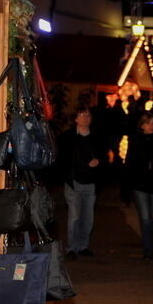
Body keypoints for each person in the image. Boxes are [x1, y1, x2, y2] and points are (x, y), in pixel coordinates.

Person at [58, 107, 107, 259]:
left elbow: (105, 156)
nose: (85, 118)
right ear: (76, 119)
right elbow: (61, 158)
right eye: (82, 115)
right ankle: (71, 248)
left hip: (91, 183)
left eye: (88, 115)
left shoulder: (97, 137)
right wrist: (67, 175)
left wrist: (99, 162)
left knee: (88, 217)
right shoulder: (68, 137)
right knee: (74, 215)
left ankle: (83, 246)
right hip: (73, 182)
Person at [124, 112, 153, 260]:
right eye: (148, 123)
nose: (151, 126)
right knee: (146, 217)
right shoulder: (135, 140)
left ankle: (149, 239)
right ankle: (148, 250)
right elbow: (130, 162)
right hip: (140, 183)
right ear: (142, 125)